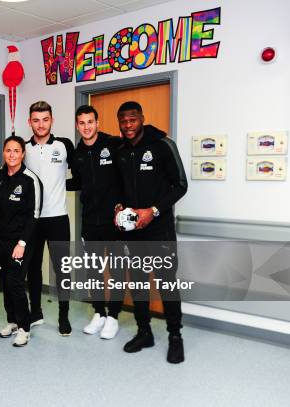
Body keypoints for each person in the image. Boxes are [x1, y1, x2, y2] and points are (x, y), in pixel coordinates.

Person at [114, 101, 188, 364]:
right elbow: (120, 187)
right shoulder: (121, 150)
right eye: (123, 121)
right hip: (133, 233)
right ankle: (144, 332)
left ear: (142, 118)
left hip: (160, 231)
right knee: (137, 283)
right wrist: (119, 207)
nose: (128, 125)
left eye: (132, 120)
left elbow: (180, 185)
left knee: (167, 284)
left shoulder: (163, 144)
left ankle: (175, 337)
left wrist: (153, 210)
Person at [66, 105, 124, 339]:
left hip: (115, 221)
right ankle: (99, 312)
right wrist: (51, 183)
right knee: (94, 269)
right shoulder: (77, 153)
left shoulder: (113, 144)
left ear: (97, 123)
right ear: (77, 125)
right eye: (82, 123)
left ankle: (113, 316)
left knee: (117, 269)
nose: (86, 127)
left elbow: (127, 176)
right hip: (90, 221)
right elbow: (77, 182)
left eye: (90, 122)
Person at [23, 101, 74, 335]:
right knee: (33, 267)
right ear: (29, 122)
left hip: (58, 218)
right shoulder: (24, 148)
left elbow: (81, 176)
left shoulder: (64, 145)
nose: (40, 124)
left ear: (52, 120)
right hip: (32, 220)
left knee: (62, 269)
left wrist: (59, 186)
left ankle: (64, 316)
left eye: (45, 120)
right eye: (36, 120)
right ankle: (36, 312)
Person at [0, 136, 42, 347]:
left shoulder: (30, 179)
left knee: (15, 282)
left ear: (23, 154)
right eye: (8, 150)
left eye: (16, 151)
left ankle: (25, 327)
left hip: (22, 241)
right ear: (3, 153)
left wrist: (21, 243)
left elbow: (35, 214)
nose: (12, 154)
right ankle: (12, 321)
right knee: (5, 281)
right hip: (0, 240)